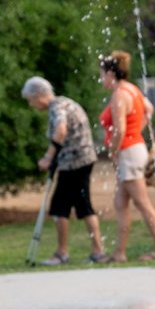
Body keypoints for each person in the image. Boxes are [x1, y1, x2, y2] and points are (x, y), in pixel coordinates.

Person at [20, 76, 108, 265]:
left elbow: (60, 131)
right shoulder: (67, 103)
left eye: (30, 99)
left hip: (73, 162)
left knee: (60, 207)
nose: (31, 104)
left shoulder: (56, 108)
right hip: (83, 160)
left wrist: (48, 157)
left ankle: (62, 253)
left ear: (38, 95)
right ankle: (98, 251)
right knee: (83, 206)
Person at [98, 51, 155, 263]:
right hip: (134, 147)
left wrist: (113, 150)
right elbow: (150, 109)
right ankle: (119, 252)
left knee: (142, 202)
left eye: (102, 75)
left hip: (128, 152)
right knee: (120, 202)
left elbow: (119, 129)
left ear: (111, 73)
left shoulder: (120, 94)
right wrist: (136, 130)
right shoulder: (133, 89)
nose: (102, 79)